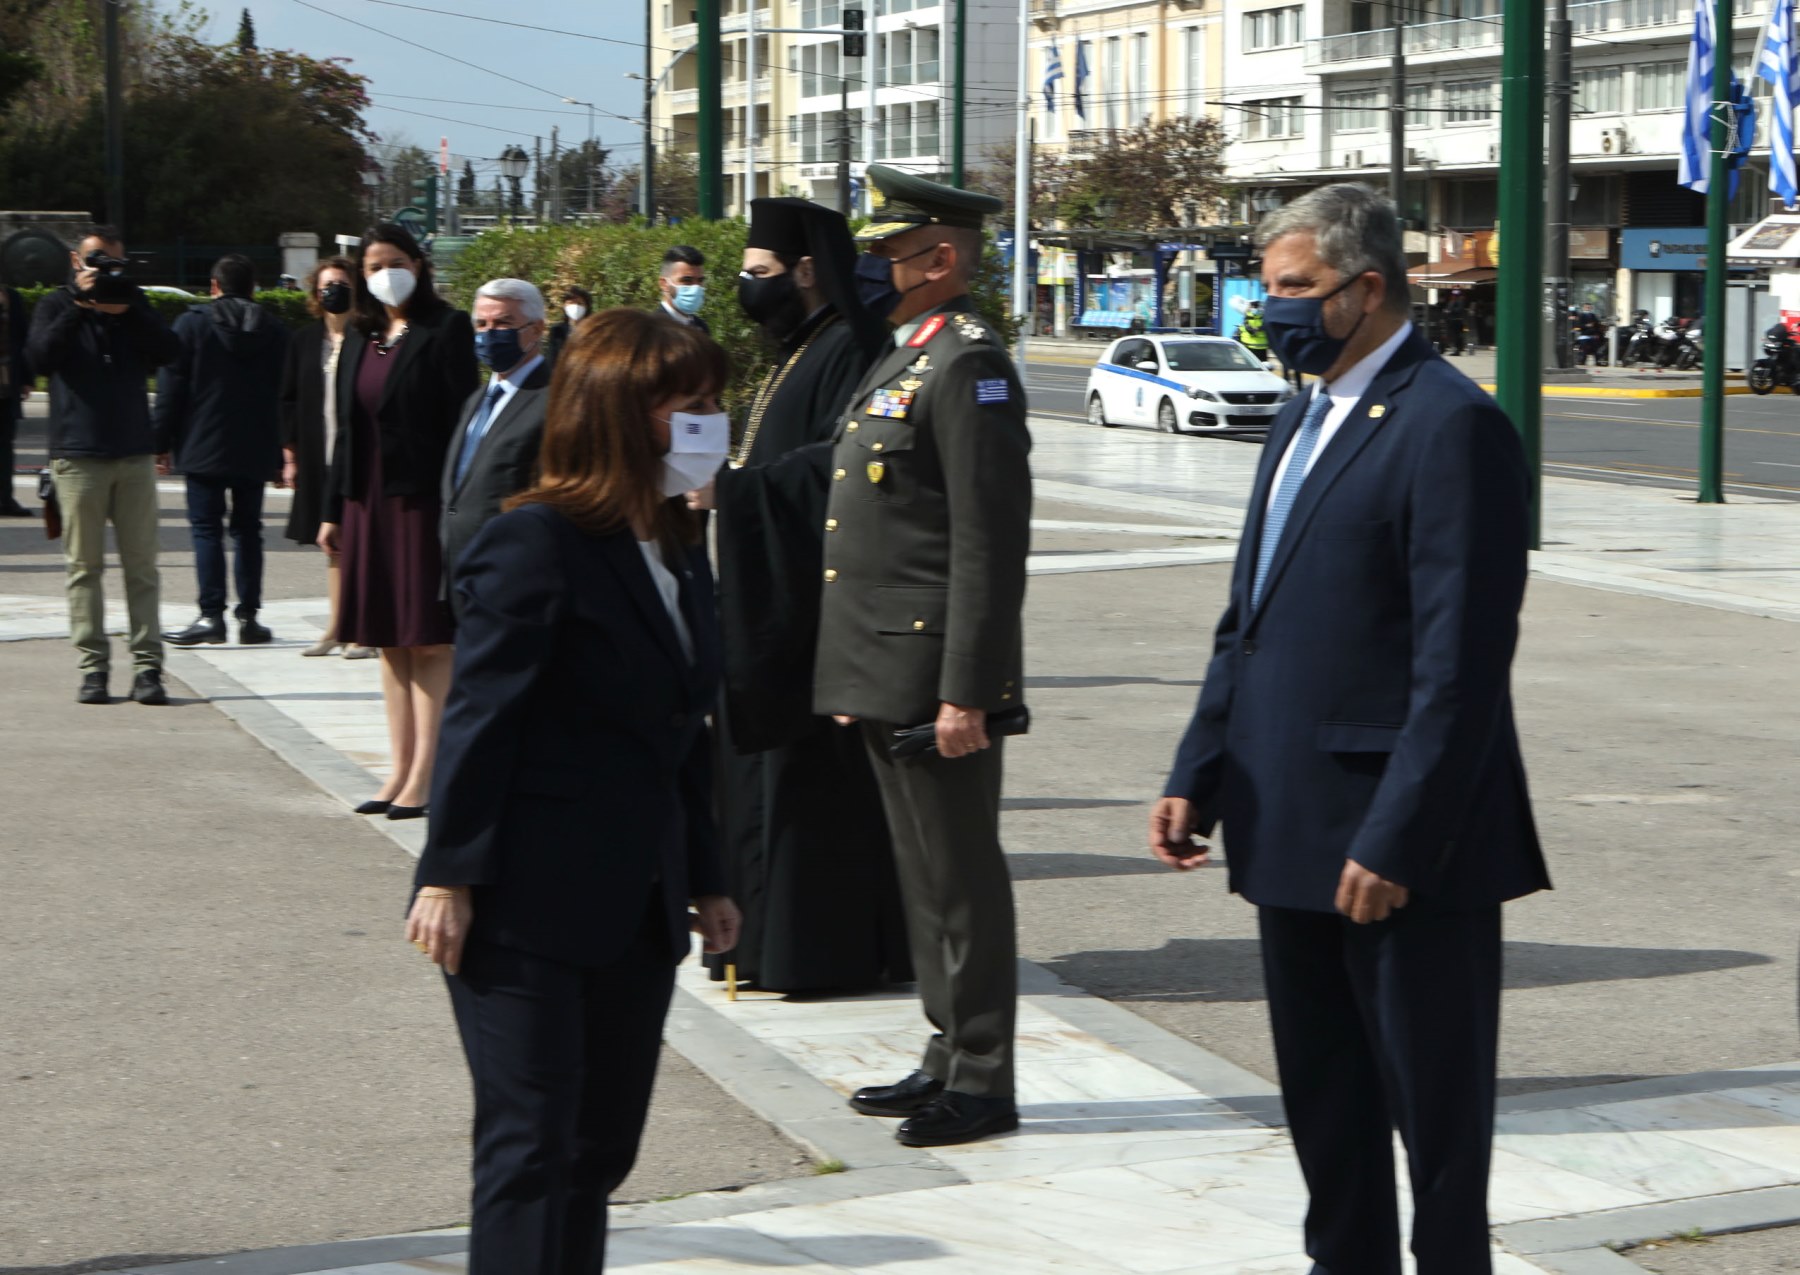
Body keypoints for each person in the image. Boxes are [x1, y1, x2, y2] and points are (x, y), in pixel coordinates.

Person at [1148, 183, 1550, 1275]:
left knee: (1435, 1117)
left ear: (1365, 290)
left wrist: (1398, 837)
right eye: (1269, 285)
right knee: (1327, 1108)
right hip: (1287, 825)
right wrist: (1201, 768)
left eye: (1292, 289)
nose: (1270, 309)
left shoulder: (1449, 423)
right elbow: (1253, 617)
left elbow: (1459, 665)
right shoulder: (1302, 410)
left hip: (1397, 845)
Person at [406, 307, 742, 1274]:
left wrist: (709, 874)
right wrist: (448, 875)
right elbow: (481, 718)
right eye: (694, 406)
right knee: (532, 1146)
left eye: (716, 404)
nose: (711, 425)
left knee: (598, 1149)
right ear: (619, 416)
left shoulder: (678, 548)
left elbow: (681, 729)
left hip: (634, 901)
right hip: (522, 901)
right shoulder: (536, 542)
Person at [814, 165, 1032, 1148]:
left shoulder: (969, 367)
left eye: (893, 256)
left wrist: (968, 692)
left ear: (942, 259)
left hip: (936, 674)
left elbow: (988, 543)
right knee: (922, 878)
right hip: (884, 666)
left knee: (963, 880)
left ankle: (985, 1076)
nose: (878, 273)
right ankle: (947, 1051)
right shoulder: (907, 356)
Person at [697, 196, 910, 994]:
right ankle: (754, 943)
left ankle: (814, 950)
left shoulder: (854, 346)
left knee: (810, 788)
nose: (749, 289)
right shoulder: (791, 349)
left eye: (760, 274)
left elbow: (845, 467)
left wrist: (742, 491)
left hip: (815, 607)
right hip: (768, 591)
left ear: (809, 272)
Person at [319, 223, 479, 820]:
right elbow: (347, 429)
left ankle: (428, 776)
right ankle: (399, 768)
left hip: (420, 503)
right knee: (389, 640)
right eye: (372, 264)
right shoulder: (362, 334)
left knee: (429, 641)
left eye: (393, 261)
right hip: (367, 503)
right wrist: (333, 511)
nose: (383, 273)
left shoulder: (448, 329)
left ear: (418, 262)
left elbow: (462, 425)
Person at [27, 225, 180, 705]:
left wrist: (129, 310)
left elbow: (171, 352)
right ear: (76, 262)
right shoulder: (56, 304)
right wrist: (78, 306)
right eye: (95, 261)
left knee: (142, 568)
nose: (105, 271)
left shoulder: (134, 305)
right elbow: (39, 358)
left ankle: (147, 668)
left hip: (133, 454)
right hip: (78, 457)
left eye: (114, 263)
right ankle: (93, 668)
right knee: (83, 568)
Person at [155, 253, 290, 647]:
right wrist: (284, 448)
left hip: (203, 444)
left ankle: (211, 615)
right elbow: (287, 395)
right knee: (249, 531)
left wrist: (159, 443)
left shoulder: (192, 326)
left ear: (214, 286)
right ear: (254, 287)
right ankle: (250, 617)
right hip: (255, 445)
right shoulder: (276, 331)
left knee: (206, 530)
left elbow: (171, 390)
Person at [279, 256, 375, 659]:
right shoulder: (304, 340)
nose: (332, 291)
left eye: (340, 283)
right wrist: (291, 457)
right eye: (325, 285)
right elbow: (288, 399)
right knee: (331, 544)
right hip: (319, 455)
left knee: (363, 543)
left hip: (360, 454)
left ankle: (365, 630)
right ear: (315, 293)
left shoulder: (368, 337)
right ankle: (336, 626)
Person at [441, 278, 550, 599]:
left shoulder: (556, 400)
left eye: (504, 323)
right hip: (464, 572)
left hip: (517, 578)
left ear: (537, 329)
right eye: (482, 324)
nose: (490, 333)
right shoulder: (475, 400)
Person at [1, 280, 30, 516]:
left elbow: (22, 338)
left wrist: (26, 378)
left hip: (6, 383)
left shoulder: (12, 296)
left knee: (5, 444)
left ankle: (4, 498)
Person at [656, 245, 709, 333]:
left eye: (700, 280)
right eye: (687, 280)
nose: (696, 287)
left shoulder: (701, 327)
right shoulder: (653, 329)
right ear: (664, 284)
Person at [544, 284, 590, 364]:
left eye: (579, 303)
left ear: (587, 307)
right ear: (564, 306)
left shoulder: (594, 330)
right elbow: (551, 360)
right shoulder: (557, 331)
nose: (575, 307)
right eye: (571, 303)